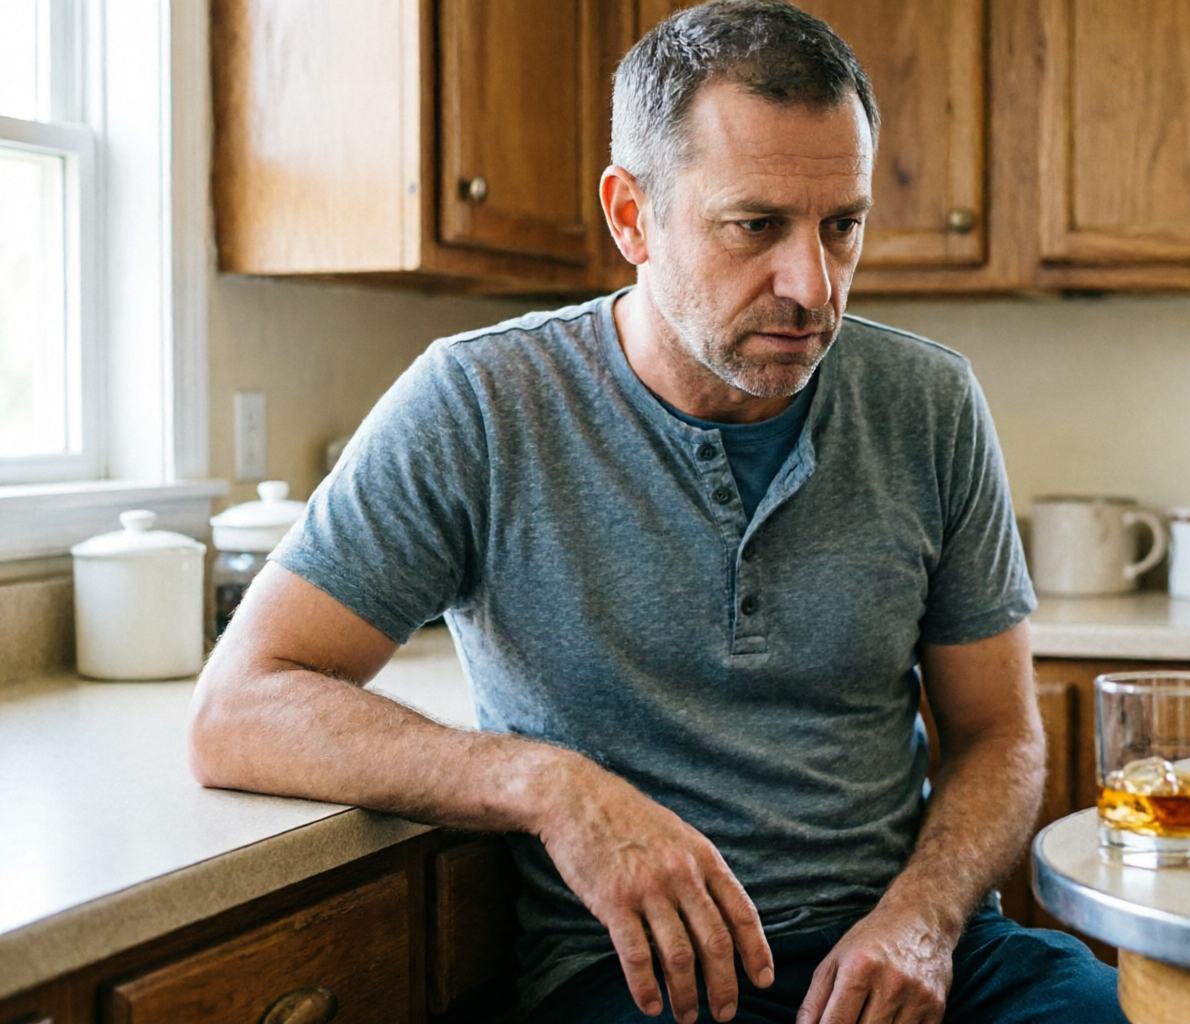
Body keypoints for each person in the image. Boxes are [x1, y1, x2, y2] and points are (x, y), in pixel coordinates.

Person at [188, 2, 1127, 1022]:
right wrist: (551, 786)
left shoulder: (929, 403)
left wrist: (925, 921)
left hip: (915, 952)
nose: (812, 284)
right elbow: (239, 707)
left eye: (842, 225)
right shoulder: (480, 405)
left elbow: (1000, 735)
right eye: (755, 226)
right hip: (655, 981)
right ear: (631, 216)